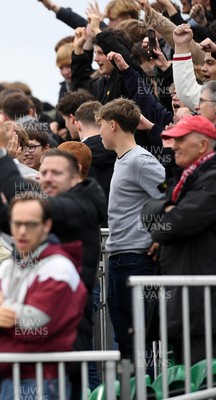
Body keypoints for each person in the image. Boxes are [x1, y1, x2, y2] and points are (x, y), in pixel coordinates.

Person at [0, 195, 87, 400]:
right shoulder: (7, 266)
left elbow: (34, 325)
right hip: (8, 379)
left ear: (46, 225)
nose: (22, 231)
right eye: (17, 224)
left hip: (43, 381)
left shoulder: (59, 268)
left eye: (30, 224)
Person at [142, 115, 216, 364]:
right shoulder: (187, 177)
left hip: (204, 308)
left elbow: (172, 225)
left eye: (181, 140)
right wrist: (168, 210)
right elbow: (150, 213)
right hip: (189, 304)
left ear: (203, 145)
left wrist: (168, 214)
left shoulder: (212, 176)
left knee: (202, 381)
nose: (174, 146)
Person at [96, 98, 166, 360]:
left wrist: (160, 236)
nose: (100, 131)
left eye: (101, 125)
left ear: (112, 125)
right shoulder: (123, 160)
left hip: (135, 259)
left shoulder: (141, 161)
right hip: (120, 257)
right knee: (124, 340)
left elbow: (167, 197)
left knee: (135, 341)